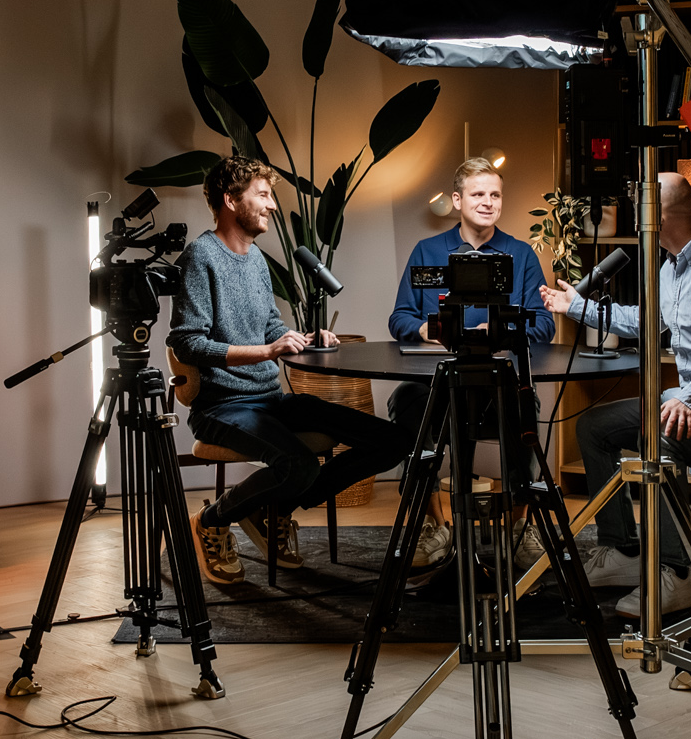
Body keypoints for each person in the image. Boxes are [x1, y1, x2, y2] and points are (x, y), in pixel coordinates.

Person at [169, 155, 409, 583]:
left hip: (269, 400)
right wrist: (265, 351)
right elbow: (188, 342)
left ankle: (272, 508)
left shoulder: (256, 259)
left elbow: (270, 327)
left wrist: (304, 338)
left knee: (392, 441)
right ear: (230, 200)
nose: (273, 206)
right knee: (300, 466)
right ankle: (212, 520)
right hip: (222, 407)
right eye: (263, 195)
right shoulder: (200, 258)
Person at [541, 171, 691, 618]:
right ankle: (624, 552)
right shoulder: (671, 266)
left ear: (661, 215)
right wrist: (577, 307)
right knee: (593, 426)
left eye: (641, 207)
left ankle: (675, 575)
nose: (633, 214)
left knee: (657, 436)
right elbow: (648, 320)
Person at [384, 155, 554, 566]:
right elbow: (399, 318)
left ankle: (518, 524)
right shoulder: (428, 251)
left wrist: (499, 335)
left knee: (524, 407)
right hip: (438, 382)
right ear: (458, 200)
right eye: (478, 194)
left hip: (500, 382)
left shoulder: (521, 254)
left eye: (495, 194)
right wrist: (426, 329)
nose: (488, 202)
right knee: (405, 401)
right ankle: (433, 525)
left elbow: (544, 323)